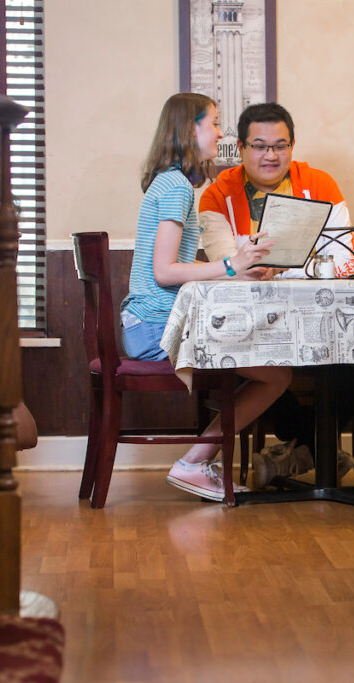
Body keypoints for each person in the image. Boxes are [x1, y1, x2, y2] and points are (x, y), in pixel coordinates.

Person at [198, 102, 354, 489]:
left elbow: (344, 259)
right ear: (242, 148)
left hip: (319, 320)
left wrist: (280, 268)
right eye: (260, 146)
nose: (271, 155)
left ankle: (300, 452)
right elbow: (227, 264)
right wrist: (302, 261)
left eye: (280, 146)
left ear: (293, 146)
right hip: (252, 328)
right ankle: (317, 449)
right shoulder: (217, 194)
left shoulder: (321, 184)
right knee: (261, 364)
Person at [120, 92, 290, 502]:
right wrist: (233, 266)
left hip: (145, 325)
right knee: (278, 374)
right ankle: (195, 461)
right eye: (213, 123)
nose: (219, 132)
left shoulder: (169, 182)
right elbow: (165, 272)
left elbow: (178, 271)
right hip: (155, 329)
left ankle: (202, 460)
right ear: (189, 129)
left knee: (271, 367)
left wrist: (239, 269)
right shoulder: (177, 186)